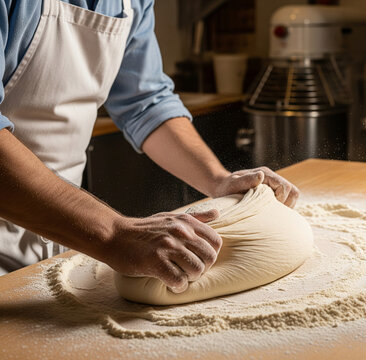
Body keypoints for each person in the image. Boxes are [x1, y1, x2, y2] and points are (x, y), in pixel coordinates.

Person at [0, 0, 299, 294]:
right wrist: (113, 232)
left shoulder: (131, 3)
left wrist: (218, 179)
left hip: (66, 231)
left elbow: (144, 102)